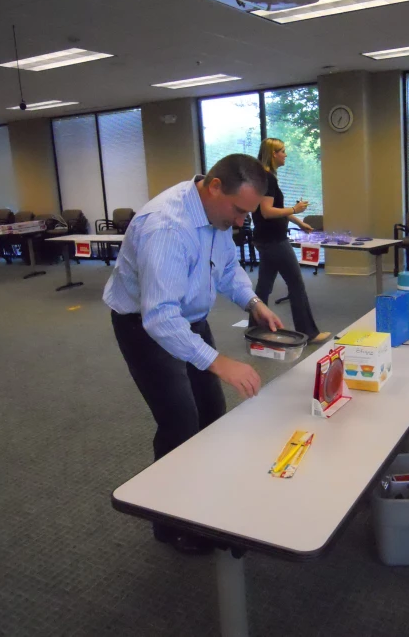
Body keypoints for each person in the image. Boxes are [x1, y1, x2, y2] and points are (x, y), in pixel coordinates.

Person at [103, 154, 283, 554]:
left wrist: (253, 302)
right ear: (214, 187)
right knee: (180, 423)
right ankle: (169, 524)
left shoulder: (217, 216)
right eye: (239, 211)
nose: (241, 222)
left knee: (211, 416)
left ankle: (203, 503)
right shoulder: (166, 227)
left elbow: (228, 268)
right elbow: (160, 318)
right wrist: (219, 362)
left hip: (189, 319)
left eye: (247, 214)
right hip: (146, 327)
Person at [251, 138, 330, 344]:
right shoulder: (268, 178)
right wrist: (295, 209)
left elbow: (277, 209)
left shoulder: (265, 177)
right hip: (274, 240)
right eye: (282, 151)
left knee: (264, 286)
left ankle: (253, 329)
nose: (285, 155)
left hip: (266, 239)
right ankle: (309, 333)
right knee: (296, 284)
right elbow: (267, 212)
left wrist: (298, 220)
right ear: (273, 154)